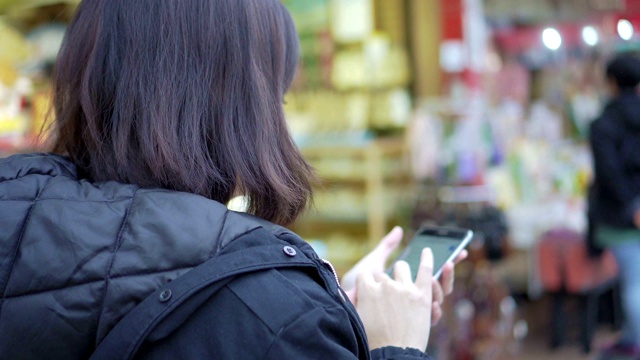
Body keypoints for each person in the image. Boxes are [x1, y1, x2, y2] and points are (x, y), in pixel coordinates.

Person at [0, 1, 466, 359]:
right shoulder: (283, 312)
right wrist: (394, 346)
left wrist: (329, 310)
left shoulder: (18, 222)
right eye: (275, 98)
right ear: (236, 108)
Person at [588, 53, 640, 359]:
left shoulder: (602, 124)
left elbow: (608, 174)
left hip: (620, 217)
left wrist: (633, 207)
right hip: (630, 213)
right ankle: (631, 337)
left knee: (633, 284)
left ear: (610, 83)